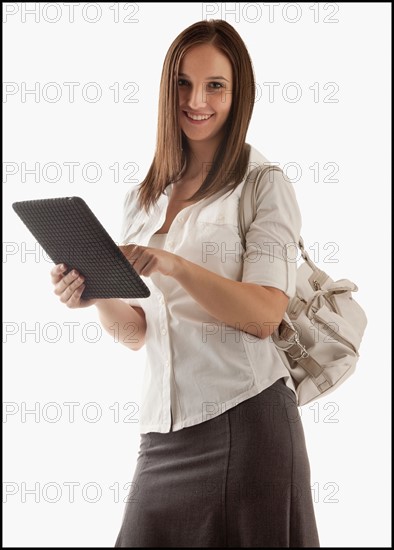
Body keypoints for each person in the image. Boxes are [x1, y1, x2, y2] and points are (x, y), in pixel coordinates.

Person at [51, 19, 320, 548]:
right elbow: (137, 333)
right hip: (162, 436)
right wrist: (96, 291)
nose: (196, 100)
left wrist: (173, 265)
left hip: (246, 423)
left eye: (215, 85)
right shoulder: (144, 198)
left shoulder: (263, 184)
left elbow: (264, 316)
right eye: (183, 83)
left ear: (238, 93)